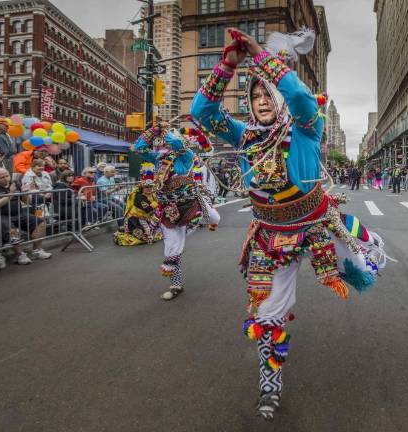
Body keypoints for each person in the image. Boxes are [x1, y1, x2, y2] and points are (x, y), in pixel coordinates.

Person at [190, 27, 385, 419]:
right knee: (266, 316)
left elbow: (298, 95)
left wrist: (260, 54)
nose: (262, 100)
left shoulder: (307, 128)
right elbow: (202, 114)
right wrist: (228, 65)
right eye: (256, 95)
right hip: (270, 237)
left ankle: (370, 244)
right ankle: (269, 387)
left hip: (316, 224)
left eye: (267, 94)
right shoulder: (245, 136)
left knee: (363, 267)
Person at [134, 123, 221, 300]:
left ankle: (211, 215)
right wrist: (154, 130)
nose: (161, 145)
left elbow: (176, 143)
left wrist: (167, 131)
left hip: (191, 204)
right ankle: (176, 284)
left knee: (214, 217)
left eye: (164, 141)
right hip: (168, 209)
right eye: (160, 142)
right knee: (172, 250)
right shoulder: (157, 158)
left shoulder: (186, 155)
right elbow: (139, 148)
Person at [0, 168, 52, 264]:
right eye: (1, 177)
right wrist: (11, 194)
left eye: (7, 176)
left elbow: (27, 201)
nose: (5, 179)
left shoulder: (15, 183)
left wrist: (25, 193)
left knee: (40, 222)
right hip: (1, 215)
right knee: (11, 230)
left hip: (20, 213)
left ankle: (36, 251)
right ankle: (19, 255)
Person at [113, 164, 163, 246]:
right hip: (134, 220)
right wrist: (157, 203)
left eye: (151, 187)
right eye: (147, 187)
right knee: (144, 235)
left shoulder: (152, 195)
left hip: (145, 217)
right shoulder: (139, 197)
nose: (149, 188)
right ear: (142, 188)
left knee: (157, 229)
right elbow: (148, 209)